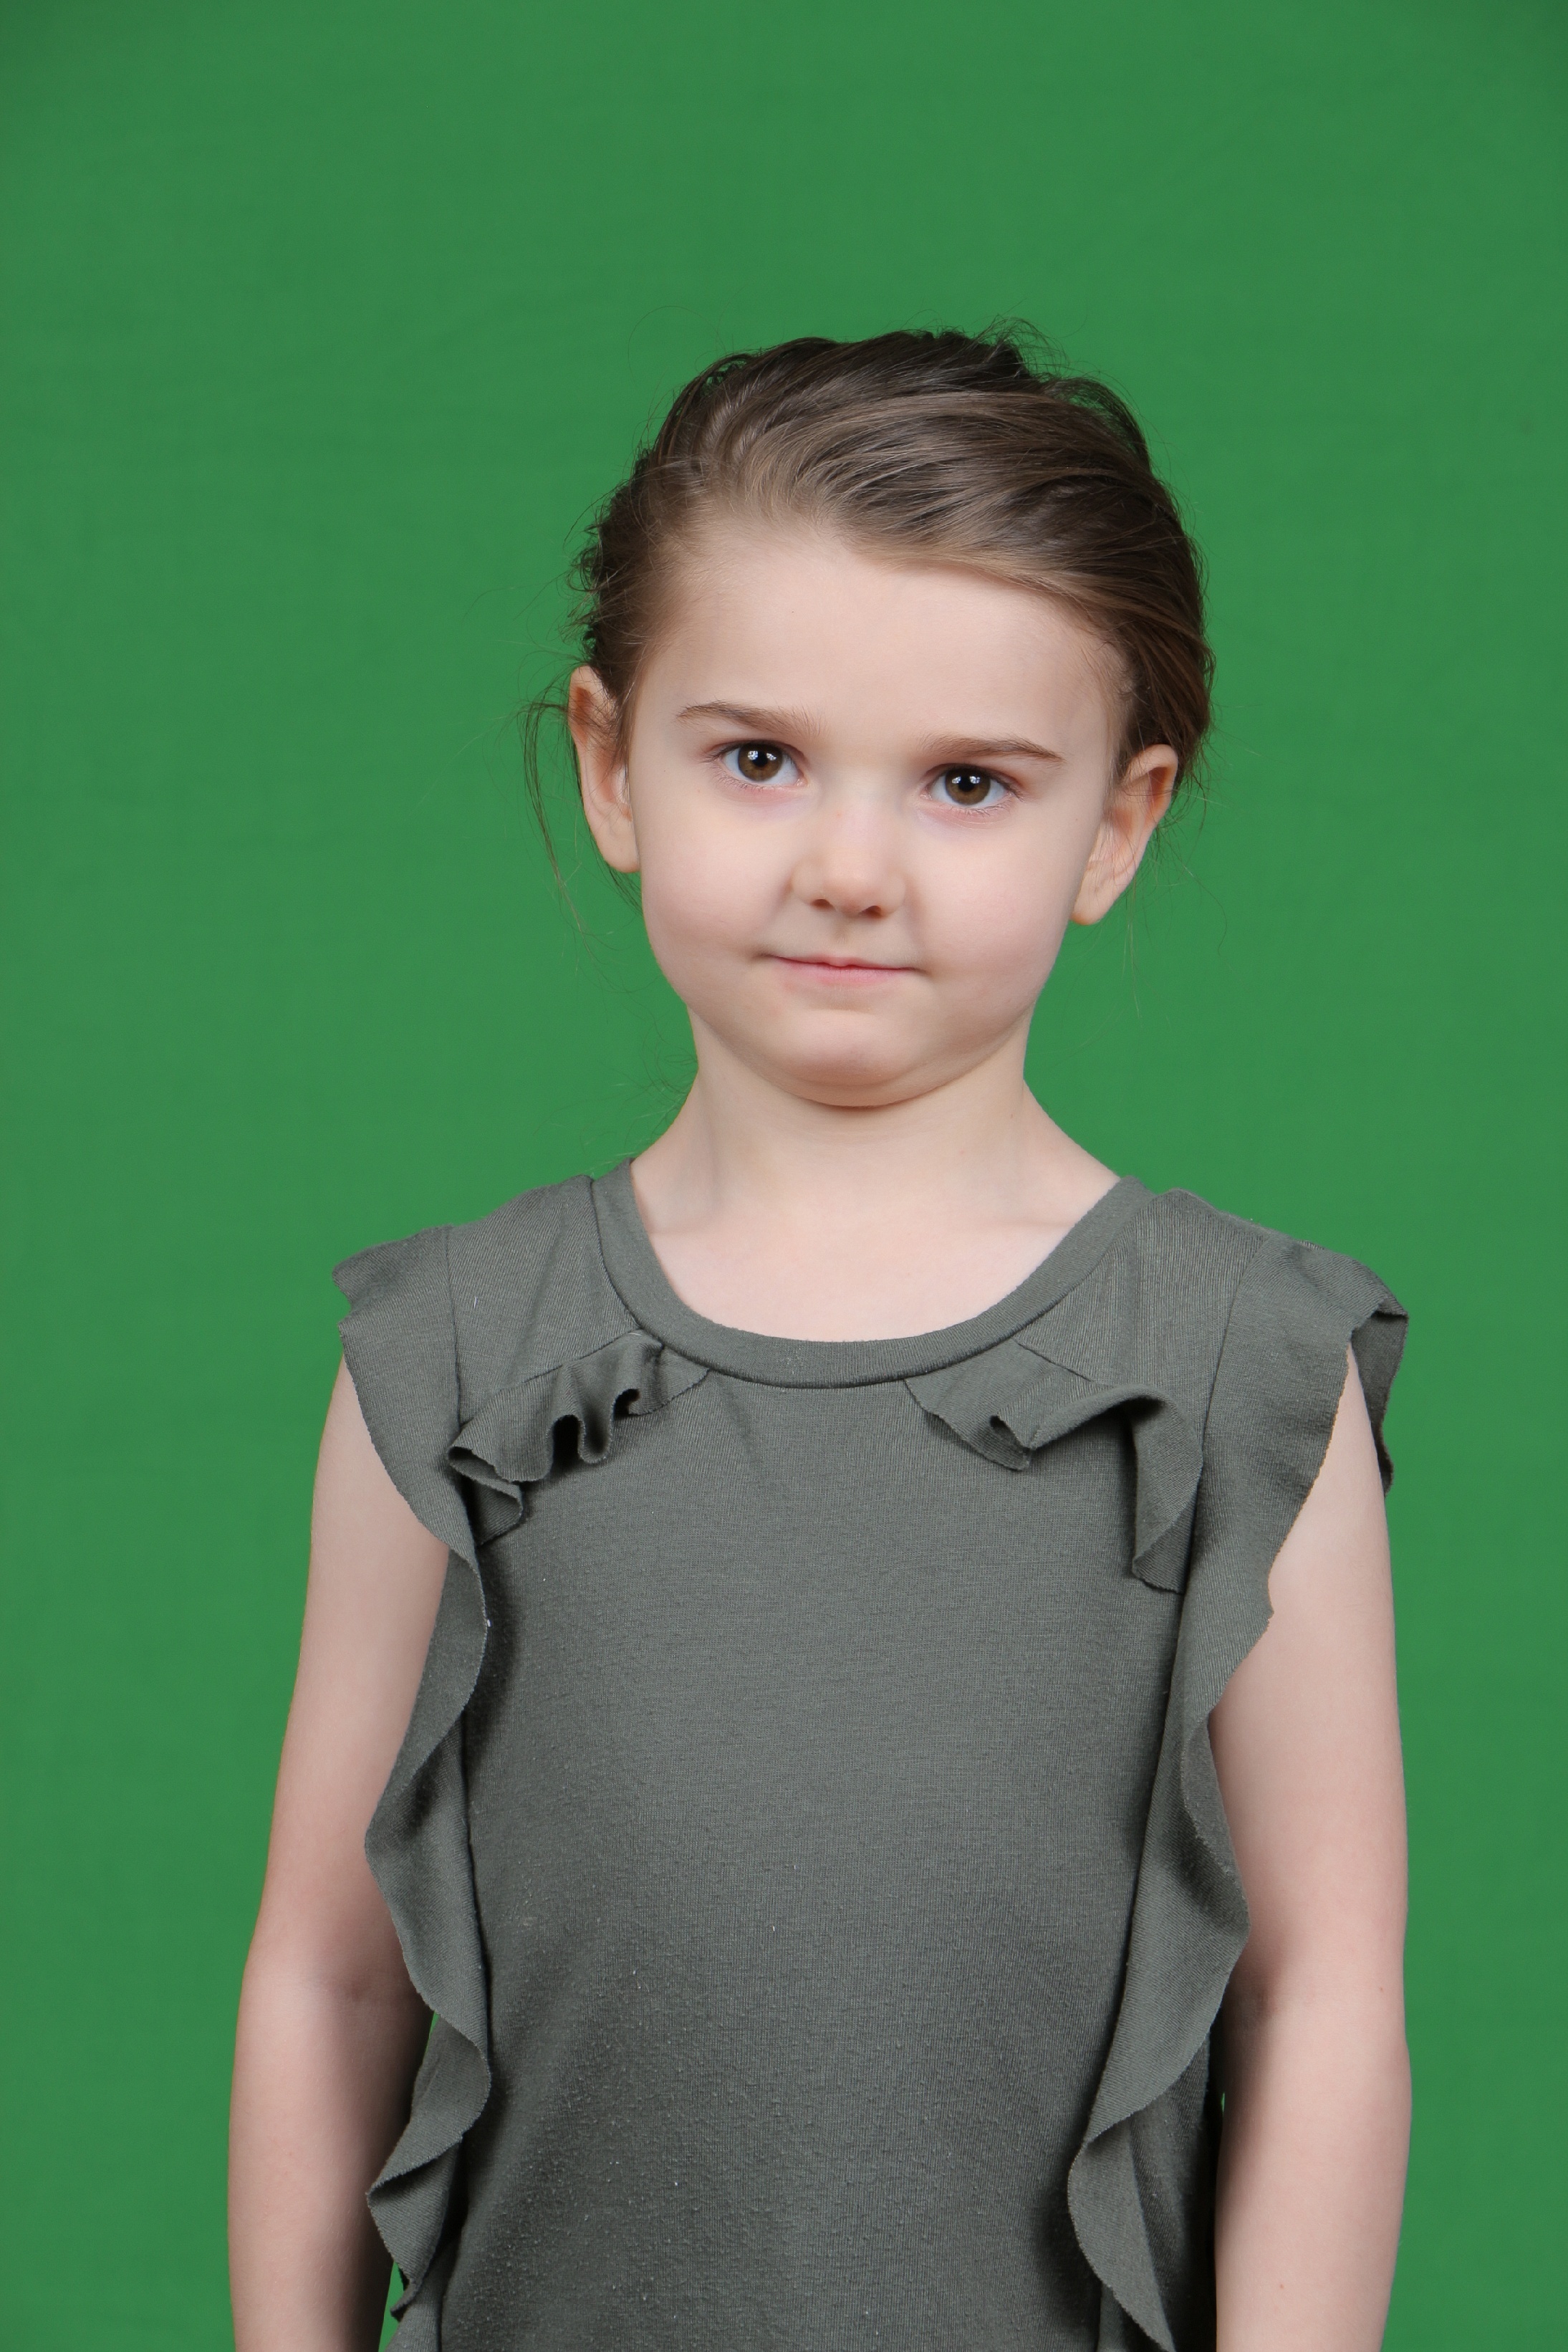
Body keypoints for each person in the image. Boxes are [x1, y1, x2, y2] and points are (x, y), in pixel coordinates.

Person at [228, 331, 1410, 2352]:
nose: (850, 871)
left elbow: (1324, 1997)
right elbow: (328, 1979)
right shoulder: (455, 1357)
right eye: (760, 758)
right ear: (613, 761)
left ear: (1118, 824)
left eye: (968, 783)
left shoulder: (1244, 1371)